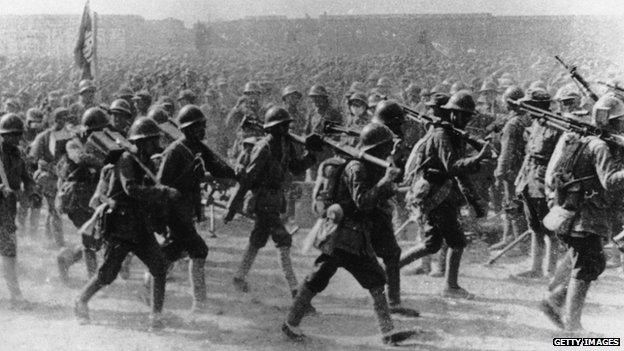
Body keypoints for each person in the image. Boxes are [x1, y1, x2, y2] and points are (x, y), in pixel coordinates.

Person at [281, 123, 417, 345]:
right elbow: (362, 202)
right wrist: (385, 182)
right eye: (385, 148)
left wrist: (388, 183)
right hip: (345, 236)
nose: (388, 152)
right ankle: (387, 332)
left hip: (349, 236)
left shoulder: (367, 167)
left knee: (345, 278)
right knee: (333, 279)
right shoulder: (357, 168)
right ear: (375, 149)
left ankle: (387, 332)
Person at [74, 117, 175, 330]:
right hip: (120, 225)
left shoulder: (146, 162)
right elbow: (131, 189)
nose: (155, 145)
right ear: (141, 142)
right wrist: (163, 192)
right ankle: (81, 301)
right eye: (151, 141)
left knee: (159, 266)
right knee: (108, 273)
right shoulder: (127, 161)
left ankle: (156, 316)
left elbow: (148, 195)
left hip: (140, 225)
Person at [540, 94, 624, 331]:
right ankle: (572, 325)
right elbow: (610, 181)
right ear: (611, 122)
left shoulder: (582, 140)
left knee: (594, 263)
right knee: (586, 266)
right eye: (620, 120)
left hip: (575, 213)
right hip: (585, 217)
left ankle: (555, 300)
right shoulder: (599, 146)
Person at [399, 91, 491, 299]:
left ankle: (391, 268)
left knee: (432, 244)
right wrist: (478, 158)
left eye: (468, 116)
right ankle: (450, 287)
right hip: (436, 193)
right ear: (451, 113)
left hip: (440, 193)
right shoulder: (441, 135)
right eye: (461, 115)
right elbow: (453, 166)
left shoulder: (451, 134)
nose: (465, 120)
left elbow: (458, 169)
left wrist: (474, 196)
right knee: (457, 242)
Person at [230, 106, 317, 300]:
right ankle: (295, 290)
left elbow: (295, 167)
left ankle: (239, 276)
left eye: (286, 126)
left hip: (275, 199)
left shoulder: (286, 145)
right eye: (280, 126)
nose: (285, 130)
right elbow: (249, 176)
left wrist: (311, 155)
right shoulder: (263, 148)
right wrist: (236, 202)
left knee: (258, 239)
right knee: (283, 239)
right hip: (262, 199)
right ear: (270, 129)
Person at [157, 105, 236, 313]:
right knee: (198, 249)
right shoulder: (174, 151)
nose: (202, 130)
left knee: (177, 250)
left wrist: (236, 173)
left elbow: (218, 166)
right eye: (198, 126)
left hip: (187, 208)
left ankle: (153, 279)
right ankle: (199, 303)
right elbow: (161, 184)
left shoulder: (198, 148)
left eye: (203, 125)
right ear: (187, 128)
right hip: (174, 209)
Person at [512, 88, 562, 279]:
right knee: (534, 227)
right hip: (529, 179)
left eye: (530, 105)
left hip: (544, 182)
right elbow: (529, 155)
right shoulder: (535, 124)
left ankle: (551, 271)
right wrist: (520, 179)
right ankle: (535, 268)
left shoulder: (555, 126)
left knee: (549, 228)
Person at [56, 108, 108, 283]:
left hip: (92, 196)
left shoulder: (100, 143)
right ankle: (93, 280)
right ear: (86, 129)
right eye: (95, 130)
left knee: (97, 240)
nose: (98, 133)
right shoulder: (73, 143)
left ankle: (66, 259)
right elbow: (81, 158)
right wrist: (106, 162)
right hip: (76, 198)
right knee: (89, 239)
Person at [0, 113, 35, 308]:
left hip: (7, 211)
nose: (14, 138)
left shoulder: (18, 154)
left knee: (9, 252)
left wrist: (31, 190)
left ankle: (15, 295)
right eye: (10, 134)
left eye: (17, 134)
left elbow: (27, 177)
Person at [491, 86, 530, 249]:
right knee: (519, 204)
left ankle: (514, 242)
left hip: (512, 170)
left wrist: (499, 172)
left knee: (511, 204)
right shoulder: (526, 119)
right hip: (524, 168)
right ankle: (513, 238)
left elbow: (506, 152)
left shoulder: (512, 124)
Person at [29, 107, 70, 247]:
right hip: (43, 177)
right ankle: (34, 236)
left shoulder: (67, 136)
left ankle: (53, 238)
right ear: (54, 119)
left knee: (54, 209)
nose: (62, 122)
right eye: (60, 118)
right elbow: (33, 158)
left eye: (65, 118)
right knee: (37, 207)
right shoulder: (44, 136)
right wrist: (47, 166)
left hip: (58, 178)